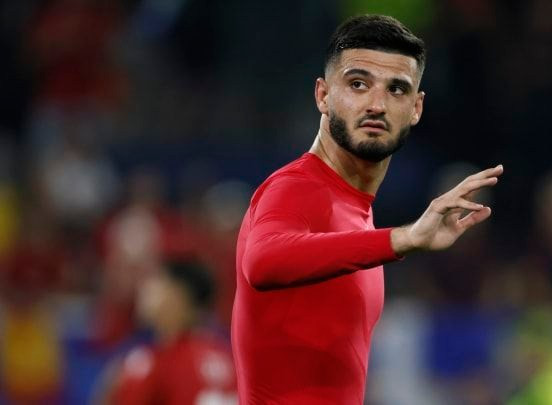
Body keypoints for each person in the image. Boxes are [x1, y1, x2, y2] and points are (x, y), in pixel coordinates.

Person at [232, 15, 503, 404]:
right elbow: (263, 261)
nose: (377, 104)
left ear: (416, 108)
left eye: (396, 89)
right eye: (358, 84)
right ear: (323, 95)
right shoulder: (299, 187)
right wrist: (403, 239)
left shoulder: (355, 209)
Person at [100, 261, 236, 405]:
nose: (144, 290)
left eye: (156, 284)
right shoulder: (230, 356)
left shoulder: (151, 363)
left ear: (177, 296)